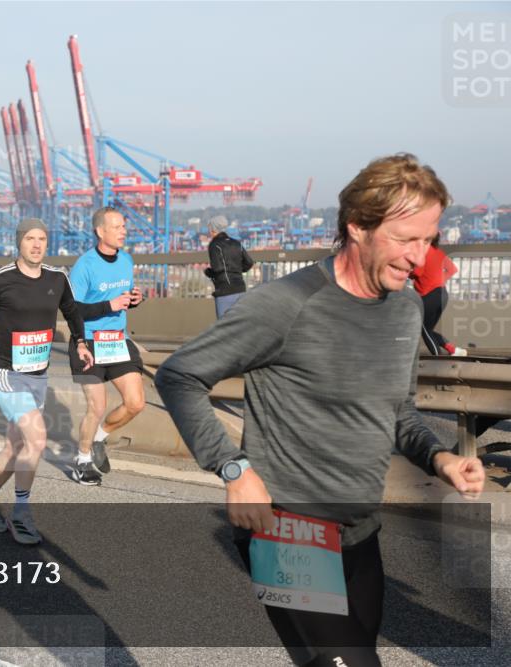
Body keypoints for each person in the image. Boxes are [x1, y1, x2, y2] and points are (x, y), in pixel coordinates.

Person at [155, 153, 486, 667]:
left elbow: (398, 411)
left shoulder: (405, 307)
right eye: (405, 240)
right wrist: (234, 469)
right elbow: (179, 375)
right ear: (357, 226)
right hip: (288, 534)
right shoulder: (284, 306)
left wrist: (439, 459)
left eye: (429, 241)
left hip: (361, 533)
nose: (421, 259)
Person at [0, 218, 93, 544]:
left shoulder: (57, 277)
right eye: (30, 239)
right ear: (19, 243)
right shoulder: (0, 279)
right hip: (7, 374)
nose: (36, 245)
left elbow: (72, 311)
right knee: (37, 439)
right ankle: (21, 512)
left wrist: (81, 341)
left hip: (39, 374)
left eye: (42, 239)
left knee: (15, 445)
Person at [67, 206, 146, 485]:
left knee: (136, 403)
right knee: (97, 405)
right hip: (87, 342)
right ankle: (82, 458)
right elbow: (71, 309)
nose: (123, 231)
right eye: (117, 227)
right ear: (101, 231)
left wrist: (135, 299)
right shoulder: (85, 265)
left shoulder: (126, 260)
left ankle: (99, 437)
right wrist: (108, 305)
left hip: (117, 341)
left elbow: (124, 297)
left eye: (124, 226)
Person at [411, 237, 467, 356]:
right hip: (442, 293)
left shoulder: (424, 252)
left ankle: (437, 357)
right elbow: (452, 269)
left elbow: (418, 272)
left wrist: (406, 271)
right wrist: (440, 280)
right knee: (428, 329)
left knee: (423, 328)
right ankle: (453, 350)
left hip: (429, 294)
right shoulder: (439, 252)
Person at [203, 215, 254, 318]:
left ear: (213, 229)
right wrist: (238, 270)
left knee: (223, 325)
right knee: (238, 324)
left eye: (210, 229)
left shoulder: (214, 245)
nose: (209, 232)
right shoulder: (236, 243)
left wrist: (209, 272)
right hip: (240, 288)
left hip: (224, 290)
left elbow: (217, 268)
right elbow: (249, 262)